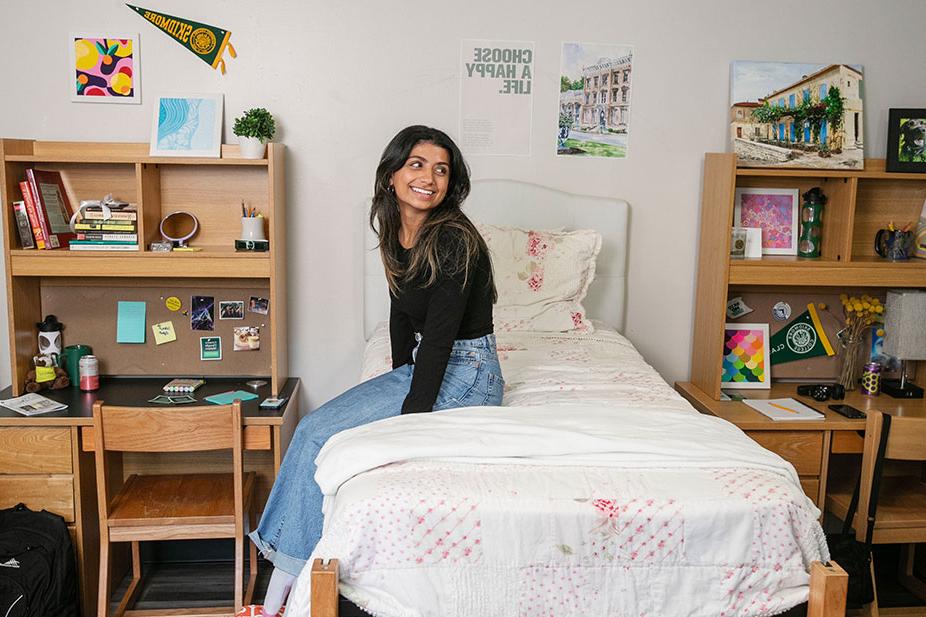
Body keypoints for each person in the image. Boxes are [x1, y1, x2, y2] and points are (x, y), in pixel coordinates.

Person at [249, 125, 504, 615]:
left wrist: (408, 418)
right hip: (435, 364)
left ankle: (280, 588)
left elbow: (443, 337)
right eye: (417, 164)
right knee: (311, 430)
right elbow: (402, 312)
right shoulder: (396, 228)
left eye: (441, 169)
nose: (429, 177)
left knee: (317, 431)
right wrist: (395, 371)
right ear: (392, 175)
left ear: (451, 183)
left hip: (470, 373)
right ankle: (285, 575)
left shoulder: (454, 240)